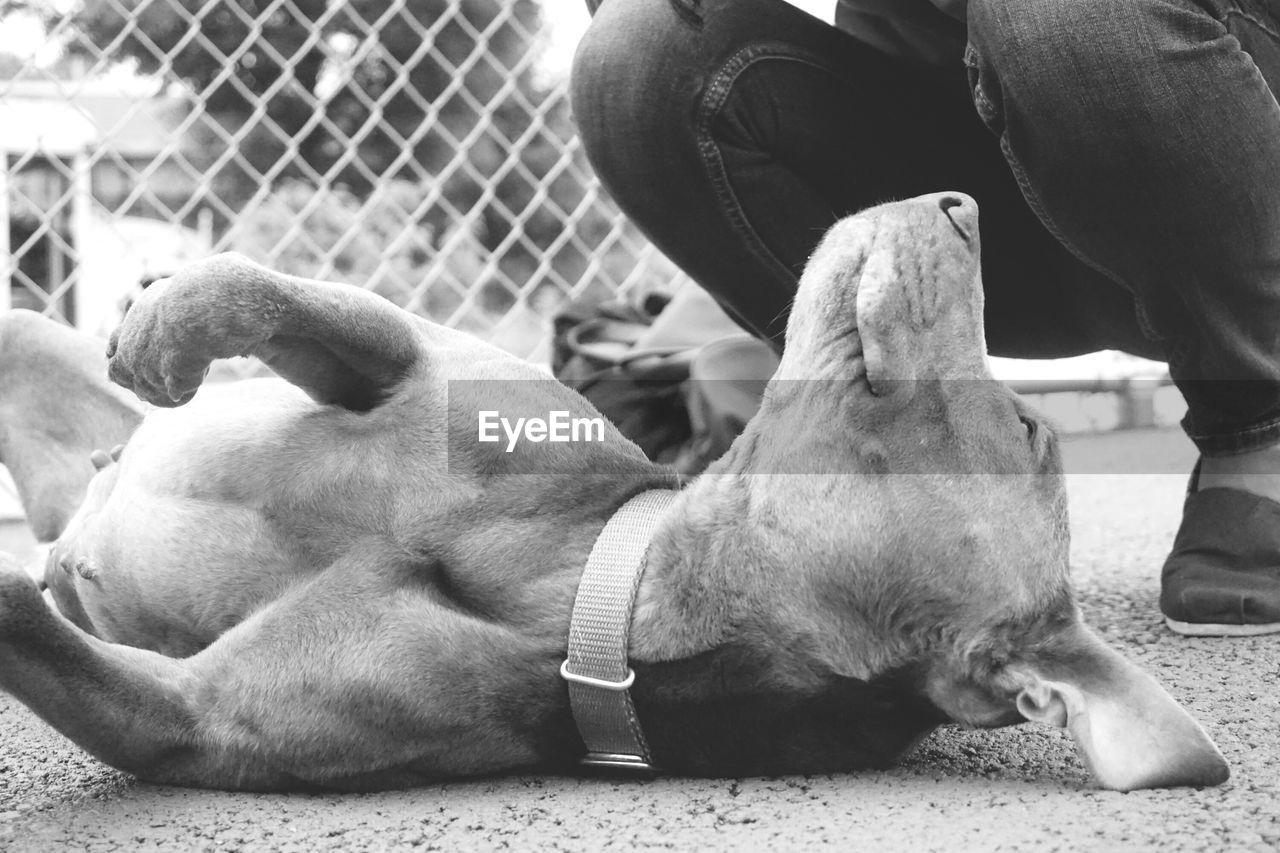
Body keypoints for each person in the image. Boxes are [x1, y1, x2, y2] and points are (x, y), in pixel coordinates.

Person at [569, 0, 1280, 636]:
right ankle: (902, 467)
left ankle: (1261, 424)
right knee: (637, 53)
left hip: (1211, 125)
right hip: (991, 169)